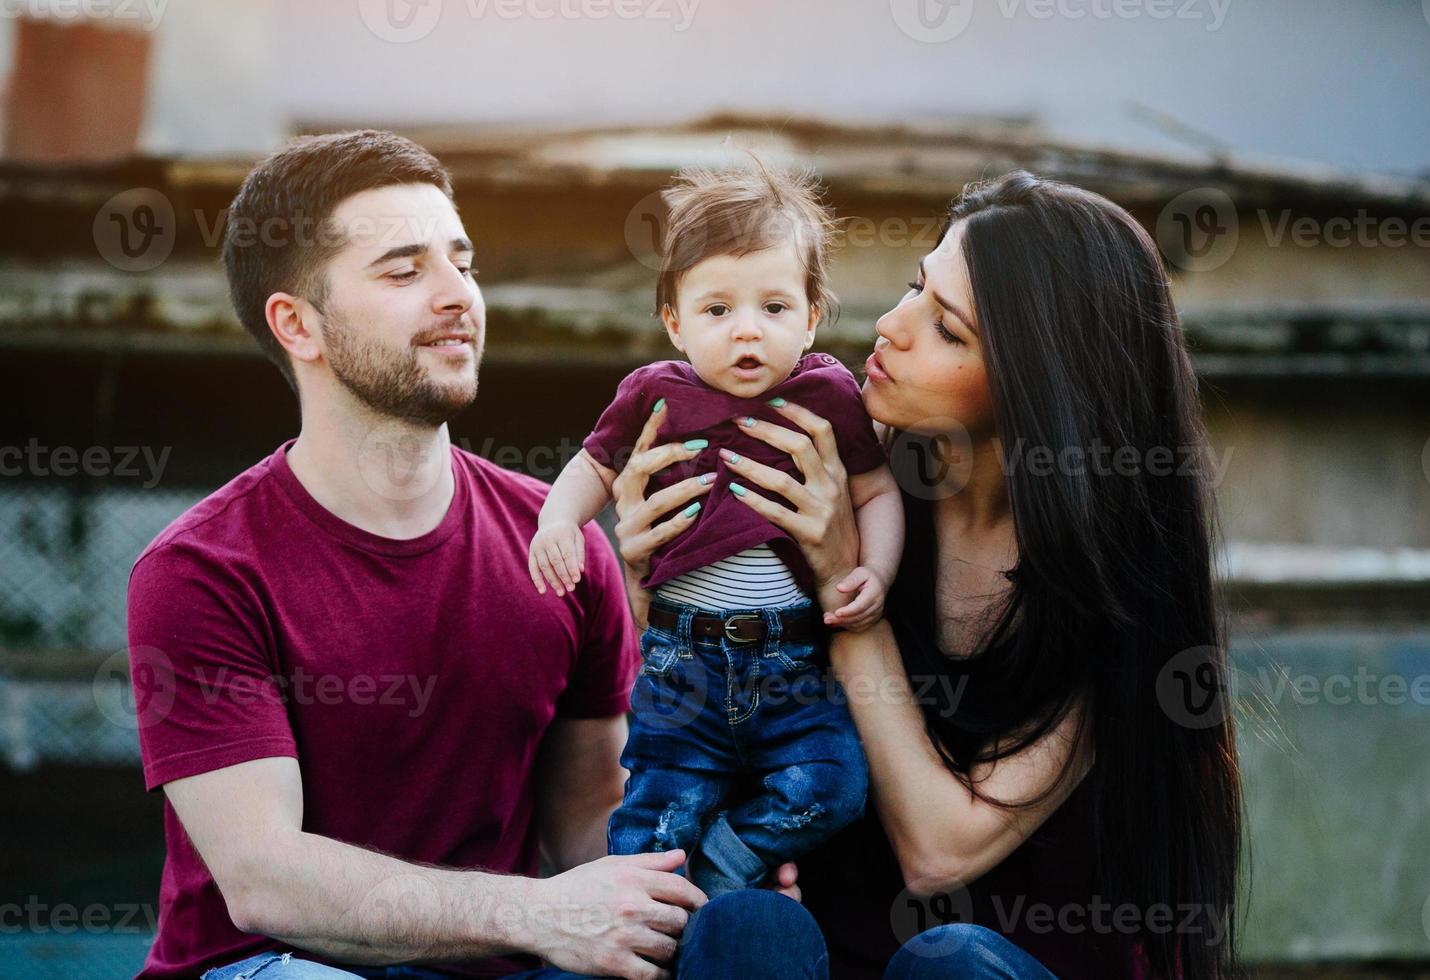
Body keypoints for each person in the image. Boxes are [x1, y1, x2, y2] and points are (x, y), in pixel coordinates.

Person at [125, 130, 825, 980]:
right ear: (298, 325)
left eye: (463, 262)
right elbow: (265, 879)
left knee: (751, 934)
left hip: (506, 966)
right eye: (404, 270)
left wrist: (720, 855)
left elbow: (587, 830)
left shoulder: (560, 549)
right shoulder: (203, 570)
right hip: (274, 966)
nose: (458, 294)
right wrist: (535, 913)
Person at [609, 171, 1245, 979]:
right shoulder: (853, 477)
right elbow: (707, 703)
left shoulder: (1113, 589)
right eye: (916, 285)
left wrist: (848, 592)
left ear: (1039, 385)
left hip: (999, 967)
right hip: (829, 956)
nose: (888, 325)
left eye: (945, 327)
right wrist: (653, 574)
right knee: (746, 928)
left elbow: (939, 853)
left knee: (947, 963)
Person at [529, 163, 902, 898]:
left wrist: (877, 574)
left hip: (793, 660)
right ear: (673, 321)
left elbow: (877, 489)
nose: (747, 333)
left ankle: (728, 863)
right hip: (681, 664)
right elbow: (595, 467)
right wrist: (555, 519)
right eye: (717, 311)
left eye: (773, 307)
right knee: (657, 815)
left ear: (812, 316)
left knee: (832, 787)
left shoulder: (826, 394)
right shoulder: (654, 393)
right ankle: (653, 918)